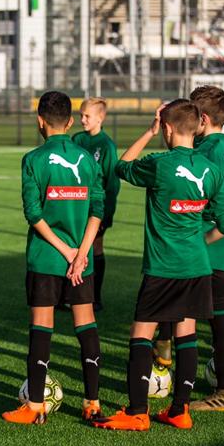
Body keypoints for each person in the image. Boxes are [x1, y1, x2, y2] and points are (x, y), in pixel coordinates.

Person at [94, 100, 224, 431]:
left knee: (142, 334)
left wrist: (148, 132)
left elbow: (121, 166)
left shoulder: (160, 164)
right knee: (187, 333)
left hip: (163, 267)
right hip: (197, 266)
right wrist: (202, 240)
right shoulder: (211, 169)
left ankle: (138, 412)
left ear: (168, 129)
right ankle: (180, 410)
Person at [2, 91, 105, 425]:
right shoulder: (88, 158)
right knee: (86, 326)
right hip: (81, 261)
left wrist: (65, 252)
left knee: (41, 328)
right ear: (71, 121)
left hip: (46, 258)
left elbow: (33, 213)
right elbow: (97, 209)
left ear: (40, 121)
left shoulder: (33, 160)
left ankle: (34, 406)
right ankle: (92, 403)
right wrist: (81, 254)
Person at [186, 85, 224, 413]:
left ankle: (217, 390)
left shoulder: (207, 154)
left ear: (203, 119)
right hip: (223, 249)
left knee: (180, 317)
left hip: (205, 248)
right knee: (218, 319)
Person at [72, 97, 120, 311]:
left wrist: (106, 215)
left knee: (94, 247)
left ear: (101, 117)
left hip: (96, 208)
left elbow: (112, 183)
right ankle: (72, 294)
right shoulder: (77, 139)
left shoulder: (107, 145)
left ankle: (94, 297)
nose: (82, 119)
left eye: (87, 116)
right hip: (76, 204)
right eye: (81, 115)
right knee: (74, 246)